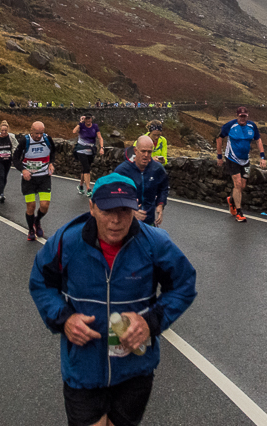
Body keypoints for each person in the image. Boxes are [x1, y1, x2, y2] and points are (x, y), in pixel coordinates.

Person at [29, 173, 197, 426]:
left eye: (124, 210)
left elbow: (184, 284)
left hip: (135, 369)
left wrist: (151, 322)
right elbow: (41, 281)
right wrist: (64, 319)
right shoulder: (67, 241)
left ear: (136, 209)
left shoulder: (155, 244)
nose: (116, 220)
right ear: (92, 207)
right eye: (108, 210)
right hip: (83, 367)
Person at [216, 106, 266, 223]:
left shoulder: (252, 126)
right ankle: (239, 212)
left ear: (247, 116)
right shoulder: (230, 125)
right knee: (237, 184)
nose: (243, 118)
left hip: (245, 160)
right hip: (232, 158)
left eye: (245, 116)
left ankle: (232, 200)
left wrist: (262, 157)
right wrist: (219, 156)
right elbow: (219, 138)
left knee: (242, 185)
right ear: (237, 116)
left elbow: (258, 140)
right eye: (240, 116)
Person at [113, 136, 169, 228]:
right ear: (135, 151)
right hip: (127, 223)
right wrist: (130, 211)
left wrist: (160, 204)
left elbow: (164, 187)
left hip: (149, 221)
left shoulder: (157, 169)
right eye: (143, 151)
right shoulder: (122, 170)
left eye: (149, 152)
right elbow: (113, 195)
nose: (146, 155)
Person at [18, 121, 56, 241]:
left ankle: (37, 220)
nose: (39, 136)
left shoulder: (47, 139)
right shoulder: (25, 141)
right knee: (31, 206)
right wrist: (23, 170)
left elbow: (53, 151)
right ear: (31, 131)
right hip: (29, 178)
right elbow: (15, 158)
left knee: (44, 206)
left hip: (44, 177)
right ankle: (30, 230)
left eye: (41, 133)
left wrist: (51, 163)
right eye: (36, 133)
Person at [71, 115, 103, 196]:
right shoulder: (81, 125)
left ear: (92, 119)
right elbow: (74, 131)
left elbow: (99, 137)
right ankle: (88, 189)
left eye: (89, 119)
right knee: (87, 168)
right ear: (84, 119)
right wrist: (80, 122)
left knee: (85, 169)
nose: (88, 121)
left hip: (90, 150)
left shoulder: (95, 126)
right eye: (86, 119)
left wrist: (102, 147)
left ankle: (81, 186)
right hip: (81, 150)